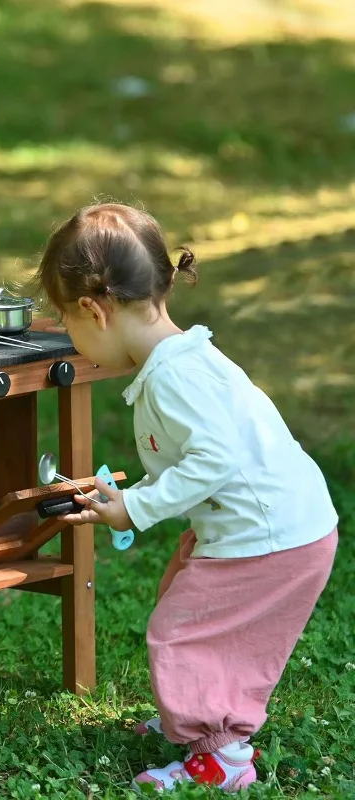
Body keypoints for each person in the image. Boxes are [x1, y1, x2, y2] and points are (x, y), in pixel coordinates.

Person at [28, 202, 339, 793]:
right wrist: (134, 493)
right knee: (189, 603)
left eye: (68, 322)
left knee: (181, 631)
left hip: (269, 537)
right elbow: (205, 458)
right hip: (283, 526)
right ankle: (198, 715)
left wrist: (136, 510)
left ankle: (221, 755)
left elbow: (215, 458)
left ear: (95, 310)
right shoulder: (181, 356)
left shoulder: (172, 377)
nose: (72, 335)